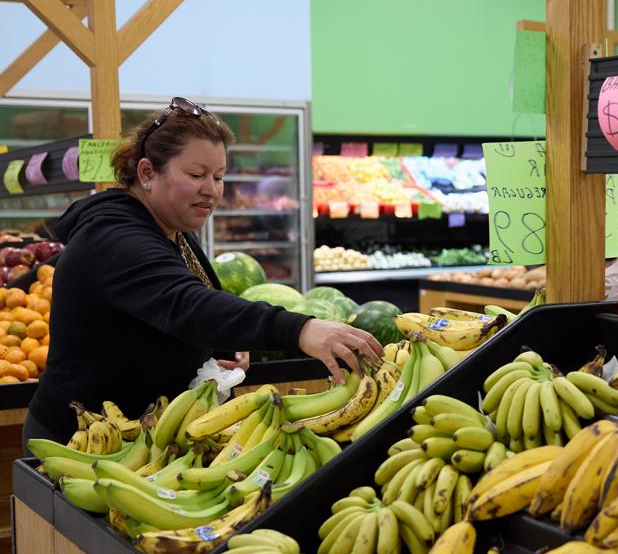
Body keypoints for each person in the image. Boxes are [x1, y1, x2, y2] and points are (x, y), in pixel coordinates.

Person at [25, 98, 382, 445]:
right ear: (147, 173)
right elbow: (184, 302)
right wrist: (300, 329)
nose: (211, 190)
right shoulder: (114, 236)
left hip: (142, 433)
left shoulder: (172, 230)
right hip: (79, 441)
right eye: (196, 175)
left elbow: (169, 315)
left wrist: (218, 346)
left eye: (219, 177)